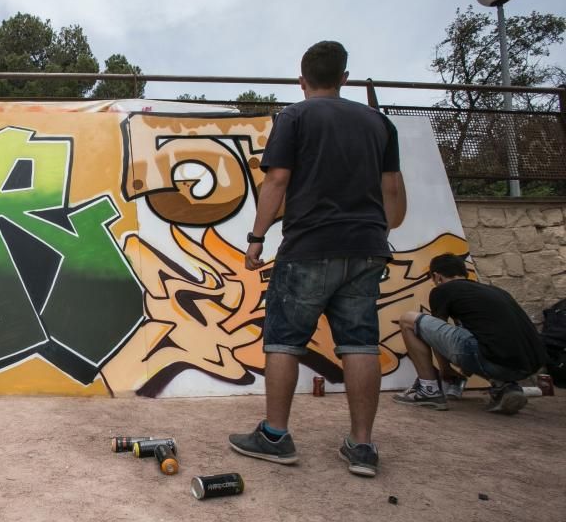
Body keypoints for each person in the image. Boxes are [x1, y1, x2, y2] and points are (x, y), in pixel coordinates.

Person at [228, 40, 406, 478]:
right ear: (344, 78)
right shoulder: (378, 123)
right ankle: (362, 446)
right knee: (360, 343)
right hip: (366, 247)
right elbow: (394, 191)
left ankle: (275, 436)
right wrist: (381, 230)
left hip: (309, 246)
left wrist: (256, 237)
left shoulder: (295, 117)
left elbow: (277, 180)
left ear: (301, 80)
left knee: (285, 339)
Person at [393, 253, 545, 415]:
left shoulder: (443, 290)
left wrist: (445, 369)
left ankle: (428, 390)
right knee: (487, 346)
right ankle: (506, 387)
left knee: (408, 320)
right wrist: (466, 367)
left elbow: (437, 334)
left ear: (437, 277)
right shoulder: (496, 291)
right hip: (529, 365)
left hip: (493, 361)